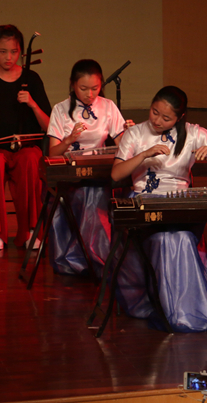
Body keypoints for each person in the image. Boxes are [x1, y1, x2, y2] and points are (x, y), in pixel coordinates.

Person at [110, 85, 207, 332]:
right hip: (144, 201)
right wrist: (144, 155)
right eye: (154, 112)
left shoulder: (193, 133)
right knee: (168, 240)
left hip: (180, 204)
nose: (157, 121)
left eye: (166, 118)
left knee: (180, 237)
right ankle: (175, 311)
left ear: (180, 118)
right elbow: (116, 174)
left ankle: (186, 311)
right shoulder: (135, 134)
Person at [0, 25, 51, 250]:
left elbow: (48, 126)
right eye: (3, 51)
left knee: (31, 161)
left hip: (25, 148)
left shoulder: (31, 79)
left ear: (21, 52)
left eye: (14, 52)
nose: (8, 57)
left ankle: (30, 230)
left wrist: (32, 104)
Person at [46, 59, 131, 275]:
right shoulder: (60, 109)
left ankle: (99, 257)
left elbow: (123, 145)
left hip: (100, 171)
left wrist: (130, 133)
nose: (90, 94)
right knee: (88, 193)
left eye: (95, 88)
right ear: (73, 84)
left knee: (103, 191)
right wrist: (69, 140)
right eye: (83, 88)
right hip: (71, 175)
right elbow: (53, 153)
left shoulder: (108, 106)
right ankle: (86, 258)